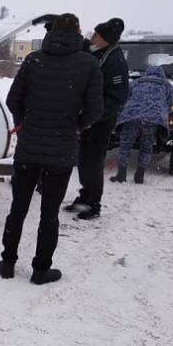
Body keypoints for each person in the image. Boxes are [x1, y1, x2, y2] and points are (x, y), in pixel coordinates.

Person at [0, 13, 103, 285]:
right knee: (49, 214)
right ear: (78, 32)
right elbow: (95, 110)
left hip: (29, 148)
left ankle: (8, 263)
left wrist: (29, 122)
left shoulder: (34, 60)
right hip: (61, 151)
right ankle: (40, 269)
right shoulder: (89, 64)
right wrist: (74, 126)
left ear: (53, 31)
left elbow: (13, 101)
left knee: (18, 208)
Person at [65, 18, 130, 220]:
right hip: (88, 119)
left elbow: (117, 97)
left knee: (93, 163)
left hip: (100, 122)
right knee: (84, 161)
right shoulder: (98, 52)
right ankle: (84, 198)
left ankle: (93, 205)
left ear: (106, 40)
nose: (92, 38)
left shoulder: (115, 61)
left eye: (96, 36)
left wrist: (95, 118)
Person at [110, 65, 173, 184]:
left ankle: (121, 174)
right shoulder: (166, 86)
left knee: (125, 146)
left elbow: (125, 99)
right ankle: (139, 175)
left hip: (131, 117)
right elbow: (170, 104)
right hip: (152, 120)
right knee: (146, 147)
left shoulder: (136, 83)